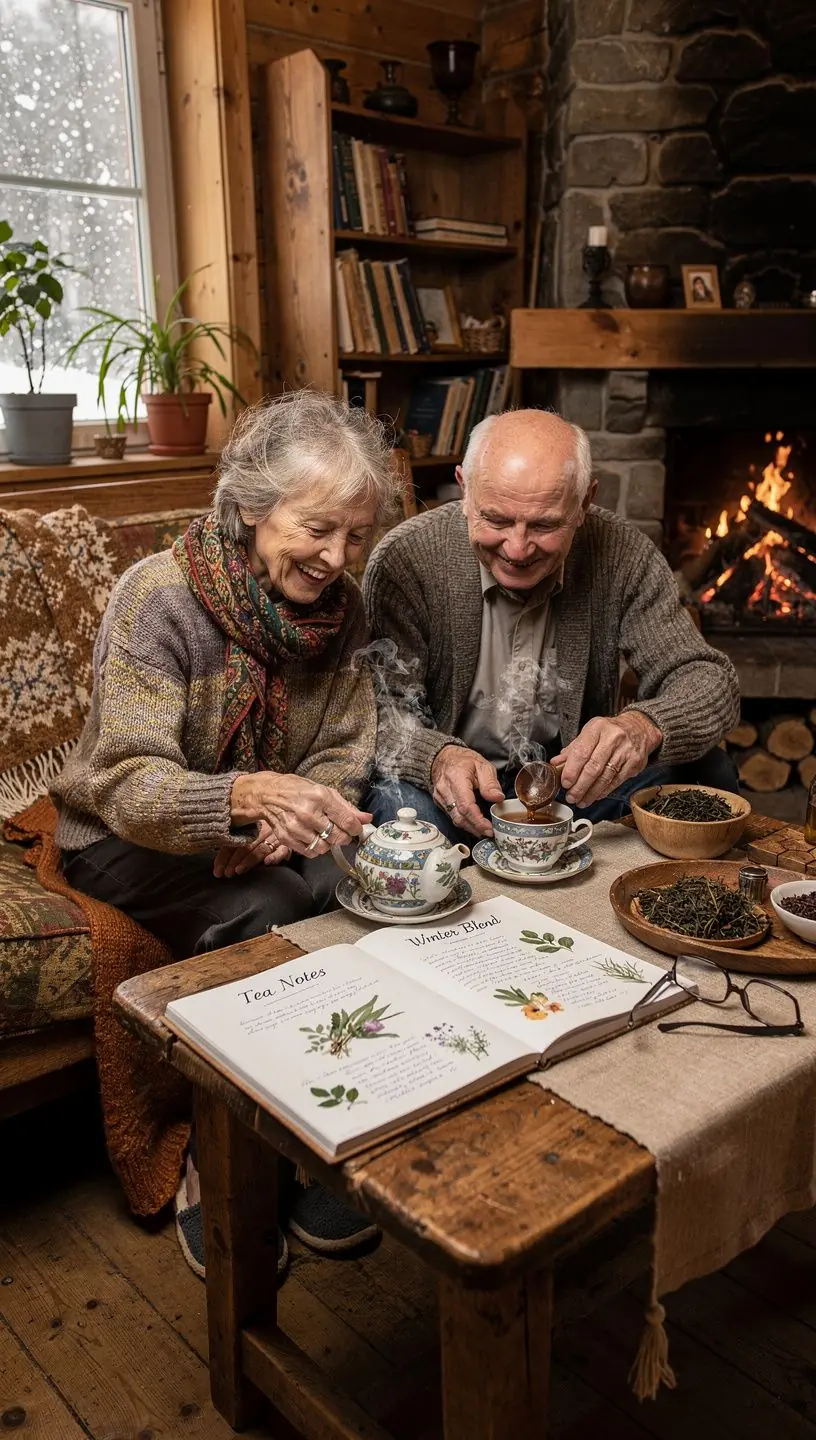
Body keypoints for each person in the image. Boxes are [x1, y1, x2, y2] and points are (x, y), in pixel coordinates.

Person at [53, 389, 400, 1273]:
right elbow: (126, 781)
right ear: (251, 506)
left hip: (254, 822)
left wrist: (293, 817)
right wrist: (242, 798)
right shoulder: (158, 599)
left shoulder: (344, 610)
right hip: (121, 837)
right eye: (317, 529)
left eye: (356, 536)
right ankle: (223, 1163)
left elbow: (344, 748)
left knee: (348, 889)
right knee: (266, 912)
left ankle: (324, 1133)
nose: (336, 558)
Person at [363, 408, 740, 843]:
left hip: (570, 790)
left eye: (544, 524)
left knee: (707, 773)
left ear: (584, 504)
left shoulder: (622, 553)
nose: (517, 549)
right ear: (464, 489)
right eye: (496, 519)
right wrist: (437, 757)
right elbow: (376, 714)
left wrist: (642, 727)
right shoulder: (406, 560)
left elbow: (708, 679)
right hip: (453, 789)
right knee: (398, 806)